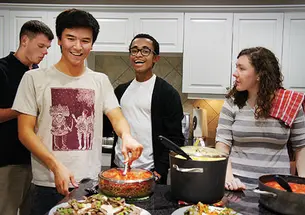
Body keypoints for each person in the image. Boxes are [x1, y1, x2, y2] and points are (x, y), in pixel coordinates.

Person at [12, 9, 143, 215]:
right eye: (71, 38)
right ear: (60, 41)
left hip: (88, 183)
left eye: (85, 40)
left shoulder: (99, 80)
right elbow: (25, 132)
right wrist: (55, 166)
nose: (77, 46)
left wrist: (126, 136)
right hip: (47, 183)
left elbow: (116, 116)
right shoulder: (34, 79)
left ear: (92, 44)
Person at [215, 47, 305, 190]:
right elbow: (222, 145)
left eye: (242, 68)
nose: (235, 73)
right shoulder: (232, 102)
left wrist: (302, 186)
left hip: (278, 187)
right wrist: (229, 178)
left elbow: (301, 147)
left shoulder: (289, 104)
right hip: (238, 186)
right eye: (236, 67)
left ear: (260, 74)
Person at [108, 33, 185, 184]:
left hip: (149, 172)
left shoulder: (167, 93)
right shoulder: (120, 91)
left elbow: (175, 139)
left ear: (156, 58)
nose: (138, 55)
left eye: (145, 51)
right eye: (134, 50)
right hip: (119, 168)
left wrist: (159, 172)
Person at [0, 20, 54, 215]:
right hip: (8, 162)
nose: (45, 52)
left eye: (47, 48)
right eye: (41, 46)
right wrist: (24, 107)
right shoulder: (2, 69)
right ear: (24, 40)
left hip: (36, 161)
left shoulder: (38, 75)